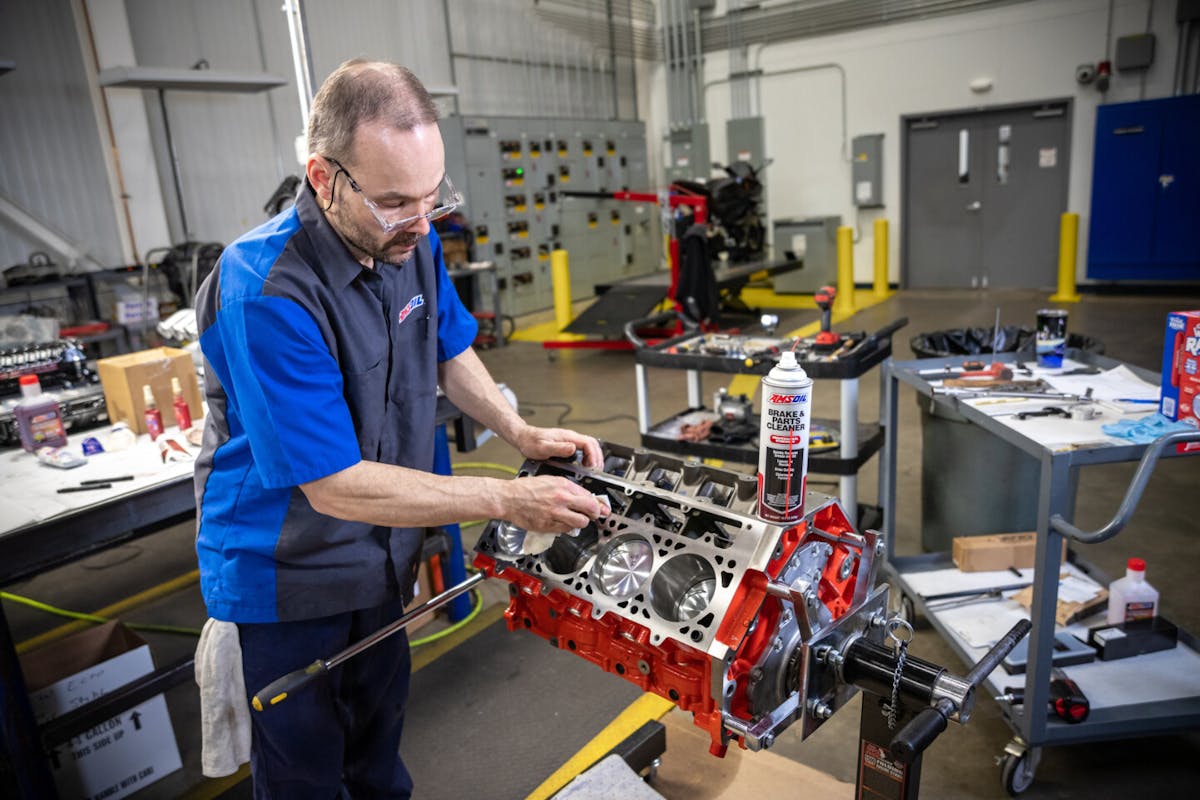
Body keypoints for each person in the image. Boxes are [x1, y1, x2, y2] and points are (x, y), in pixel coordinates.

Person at [193, 58, 608, 798]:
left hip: (379, 551)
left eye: (432, 197)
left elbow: (448, 348)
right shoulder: (265, 290)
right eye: (394, 202)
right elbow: (334, 486)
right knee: (308, 778)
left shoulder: (407, 238)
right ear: (324, 178)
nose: (421, 222)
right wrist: (506, 501)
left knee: (379, 757)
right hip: (287, 573)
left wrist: (520, 432)